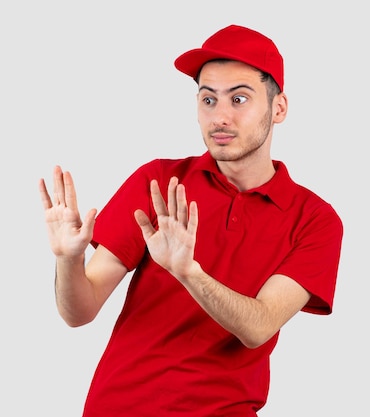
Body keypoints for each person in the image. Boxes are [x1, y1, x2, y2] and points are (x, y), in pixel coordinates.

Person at [38, 24, 343, 416]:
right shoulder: (160, 180)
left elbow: (259, 327)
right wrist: (67, 259)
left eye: (239, 98)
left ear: (278, 108)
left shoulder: (314, 220)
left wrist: (188, 272)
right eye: (208, 100)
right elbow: (79, 313)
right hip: (116, 406)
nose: (220, 117)